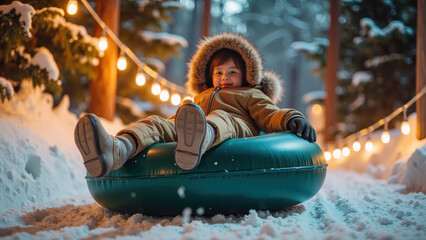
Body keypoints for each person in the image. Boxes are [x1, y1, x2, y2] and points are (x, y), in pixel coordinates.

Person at [74, 33, 316, 178]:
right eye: (219, 72)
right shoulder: (202, 96)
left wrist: (291, 119)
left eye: (233, 72)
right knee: (160, 123)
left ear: (246, 74)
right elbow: (180, 120)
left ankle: (199, 139)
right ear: (209, 75)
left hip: (234, 127)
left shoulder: (250, 94)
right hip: (196, 121)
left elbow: (269, 114)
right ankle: (117, 149)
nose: (225, 77)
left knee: (221, 118)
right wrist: (176, 123)